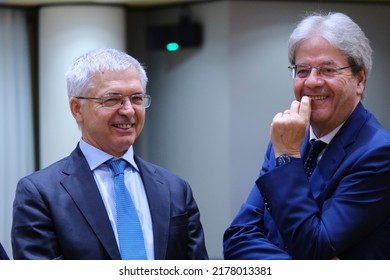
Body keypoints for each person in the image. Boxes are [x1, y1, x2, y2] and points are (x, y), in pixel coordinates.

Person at [12, 48, 208, 260]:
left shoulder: (175, 189)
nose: (128, 110)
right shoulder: (40, 194)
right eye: (112, 99)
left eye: (137, 98)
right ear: (77, 109)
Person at [223, 11, 390, 259]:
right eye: (302, 70)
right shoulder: (288, 140)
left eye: (327, 70)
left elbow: (314, 246)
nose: (312, 82)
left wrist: (288, 157)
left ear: (360, 79)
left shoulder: (378, 154)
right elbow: (237, 237)